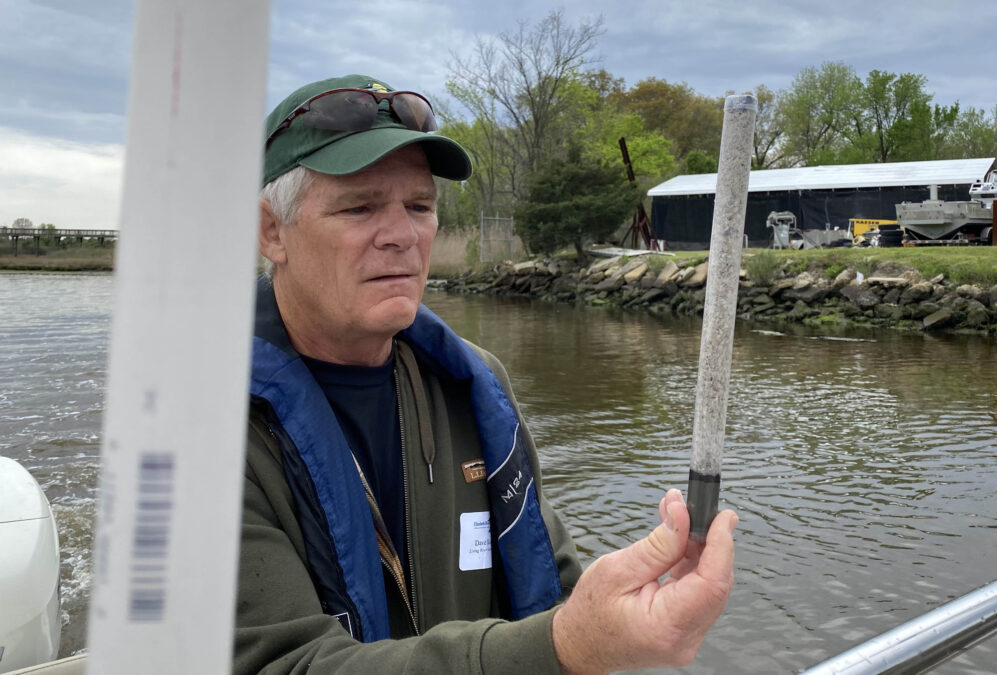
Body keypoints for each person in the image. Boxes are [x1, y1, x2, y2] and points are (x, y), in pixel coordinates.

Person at [234, 73, 739, 674]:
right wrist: (567, 645)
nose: (401, 236)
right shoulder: (205, 426)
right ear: (272, 232)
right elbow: (283, 665)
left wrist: (638, 606)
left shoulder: (475, 385)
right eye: (359, 206)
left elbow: (552, 584)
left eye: (419, 206)